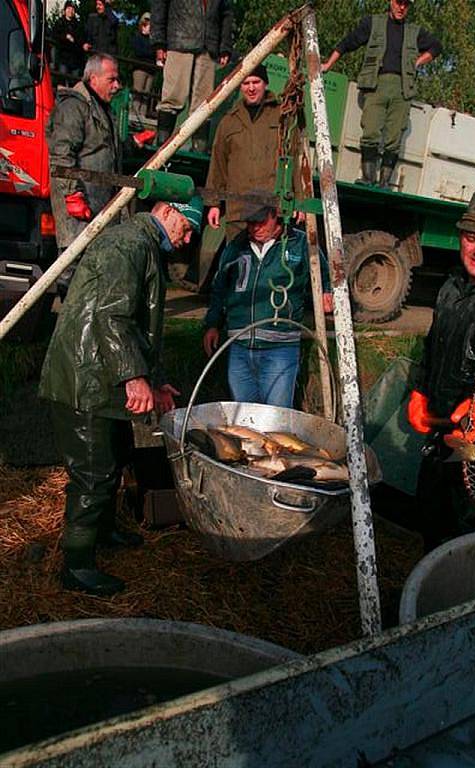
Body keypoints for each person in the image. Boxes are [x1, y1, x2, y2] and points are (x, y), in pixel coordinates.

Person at [39, 196, 204, 597]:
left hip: (100, 375)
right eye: (186, 228)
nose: (186, 240)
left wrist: (156, 381)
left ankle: (105, 530)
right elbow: (112, 317)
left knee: (113, 459)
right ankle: (76, 565)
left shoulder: (142, 245)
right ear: (167, 211)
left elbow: (141, 329)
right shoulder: (129, 244)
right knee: (92, 474)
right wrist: (134, 378)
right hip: (85, 380)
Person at [407, 183, 475, 550]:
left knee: (472, 538)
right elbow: (432, 346)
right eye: (471, 238)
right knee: (431, 519)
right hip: (441, 431)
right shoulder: (451, 286)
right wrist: (420, 390)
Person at [203, 206, 332, 407]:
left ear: (277, 217)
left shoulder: (300, 243)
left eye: (261, 222)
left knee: (276, 417)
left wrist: (327, 292)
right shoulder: (237, 246)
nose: (254, 228)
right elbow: (220, 288)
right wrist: (212, 324)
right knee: (244, 417)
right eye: (250, 222)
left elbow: (324, 273)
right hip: (239, 346)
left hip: (280, 349)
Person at [46, 54, 155, 291]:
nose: (118, 86)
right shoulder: (73, 107)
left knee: (95, 272)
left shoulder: (101, 108)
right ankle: (70, 322)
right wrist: (71, 195)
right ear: (93, 78)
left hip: (98, 208)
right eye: (112, 79)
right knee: (73, 270)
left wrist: (134, 142)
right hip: (80, 208)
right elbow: (60, 154)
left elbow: (106, 150)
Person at [322, 0, 441, 188]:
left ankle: (385, 182)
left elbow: (436, 47)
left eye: (406, 5)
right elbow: (348, 42)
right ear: (391, 2)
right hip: (376, 85)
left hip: (402, 88)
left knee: (394, 138)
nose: (401, 8)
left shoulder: (414, 31)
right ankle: (368, 178)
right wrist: (328, 64)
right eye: (398, 3)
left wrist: (417, 62)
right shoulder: (373, 23)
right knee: (370, 131)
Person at [206, 64, 302, 241]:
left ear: (265, 83)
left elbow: (295, 159)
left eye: (256, 82)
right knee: (238, 264)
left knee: (271, 265)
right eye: (245, 83)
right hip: (238, 212)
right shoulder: (228, 121)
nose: (251, 88)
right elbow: (218, 166)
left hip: (272, 213)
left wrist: (300, 201)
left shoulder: (282, 116)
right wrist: (214, 204)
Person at [150, 0, 233, 149]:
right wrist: (159, 42)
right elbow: (160, 6)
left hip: (208, 46)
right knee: (172, 97)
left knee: (204, 103)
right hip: (179, 41)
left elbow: (226, 12)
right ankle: (161, 147)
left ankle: (199, 148)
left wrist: (225, 47)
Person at [52, 1, 84, 85]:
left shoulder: (78, 25)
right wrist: (65, 37)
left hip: (75, 59)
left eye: (73, 9)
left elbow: (81, 39)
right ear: (65, 10)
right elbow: (54, 35)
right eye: (69, 8)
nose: (71, 11)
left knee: (74, 83)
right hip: (63, 58)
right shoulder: (59, 23)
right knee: (62, 80)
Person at [132, 12, 155, 118]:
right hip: (140, 69)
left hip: (150, 69)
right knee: (138, 92)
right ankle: (134, 114)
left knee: (147, 94)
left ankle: (142, 115)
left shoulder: (152, 40)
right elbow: (138, 52)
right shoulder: (137, 37)